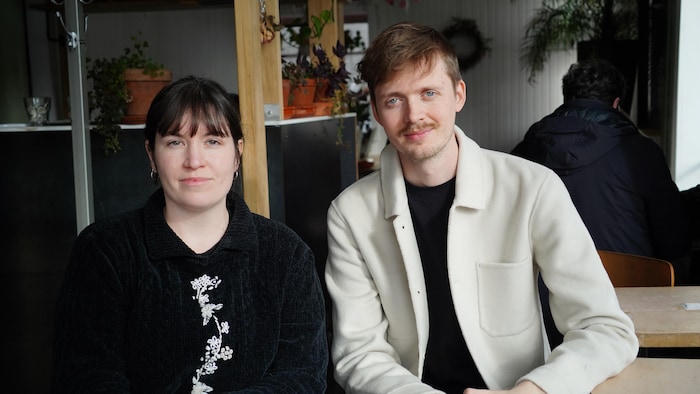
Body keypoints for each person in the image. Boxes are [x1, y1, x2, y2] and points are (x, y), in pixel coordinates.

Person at [324, 22, 638, 394]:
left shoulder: (533, 187)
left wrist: (535, 389)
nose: (414, 116)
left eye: (429, 92)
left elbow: (605, 327)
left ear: (458, 94)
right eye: (394, 99)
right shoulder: (350, 214)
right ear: (376, 110)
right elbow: (358, 354)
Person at [51, 76, 328, 393]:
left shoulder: (285, 253)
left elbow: (303, 376)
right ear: (151, 154)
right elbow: (86, 378)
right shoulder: (104, 251)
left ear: (237, 154)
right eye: (175, 142)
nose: (194, 161)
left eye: (213, 141)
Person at [512, 59, 691, 280]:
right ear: (616, 104)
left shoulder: (524, 150)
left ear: (566, 99)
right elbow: (673, 241)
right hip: (625, 293)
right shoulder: (641, 153)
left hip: (545, 294)